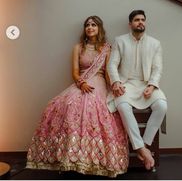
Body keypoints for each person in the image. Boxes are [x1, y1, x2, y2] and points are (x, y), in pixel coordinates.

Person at [26, 16, 129, 178]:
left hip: (99, 84)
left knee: (94, 108)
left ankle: (94, 161)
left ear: (99, 28)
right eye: (87, 25)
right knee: (65, 104)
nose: (90, 27)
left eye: (93, 25)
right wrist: (81, 83)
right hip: (82, 83)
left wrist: (115, 86)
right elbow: (74, 71)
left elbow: (109, 74)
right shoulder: (78, 48)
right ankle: (70, 159)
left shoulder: (106, 49)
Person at [107, 10, 167, 170]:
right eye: (136, 20)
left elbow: (158, 68)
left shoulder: (155, 43)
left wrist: (152, 85)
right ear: (130, 24)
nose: (140, 22)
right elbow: (112, 64)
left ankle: (145, 144)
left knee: (162, 105)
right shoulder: (120, 41)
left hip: (146, 84)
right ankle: (141, 149)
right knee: (122, 106)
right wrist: (116, 82)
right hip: (126, 84)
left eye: (143, 20)